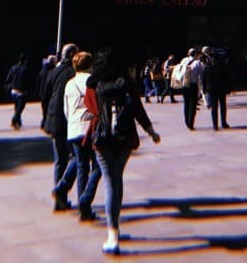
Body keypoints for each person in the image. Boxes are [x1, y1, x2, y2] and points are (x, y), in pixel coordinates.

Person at [85, 46, 160, 255]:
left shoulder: (92, 83)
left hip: (102, 138)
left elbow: (90, 108)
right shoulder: (127, 82)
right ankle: (114, 227)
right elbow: (137, 108)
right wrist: (151, 131)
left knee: (110, 182)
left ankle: (112, 234)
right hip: (125, 137)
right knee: (117, 180)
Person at [64, 51, 101, 221]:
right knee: (98, 166)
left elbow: (66, 109)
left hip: (73, 128)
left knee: (81, 167)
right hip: (90, 128)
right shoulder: (92, 81)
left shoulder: (69, 84)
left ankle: (82, 205)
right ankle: (86, 199)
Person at [42, 43, 79, 211]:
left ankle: (60, 200)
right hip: (68, 121)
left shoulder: (53, 71)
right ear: (71, 55)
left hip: (53, 121)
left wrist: (45, 118)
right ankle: (62, 189)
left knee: (59, 161)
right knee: (77, 158)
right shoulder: (73, 73)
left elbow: (45, 96)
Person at [202, 46, 231, 130]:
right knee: (222, 106)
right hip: (221, 89)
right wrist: (228, 88)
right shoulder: (222, 67)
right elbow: (227, 79)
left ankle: (215, 125)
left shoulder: (207, 68)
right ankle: (223, 122)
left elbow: (204, 79)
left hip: (212, 90)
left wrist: (205, 89)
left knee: (214, 108)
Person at [179, 48, 204, 130]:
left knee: (186, 103)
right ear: (195, 54)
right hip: (193, 85)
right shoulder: (197, 63)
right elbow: (201, 75)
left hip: (184, 85)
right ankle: (190, 123)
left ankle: (186, 121)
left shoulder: (183, 61)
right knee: (193, 105)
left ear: (188, 54)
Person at [5, 53, 30, 130]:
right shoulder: (25, 69)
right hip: (21, 91)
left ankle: (18, 122)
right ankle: (14, 120)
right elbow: (27, 81)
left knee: (17, 107)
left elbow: (8, 78)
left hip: (13, 91)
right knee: (20, 108)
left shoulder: (13, 68)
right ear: (25, 60)